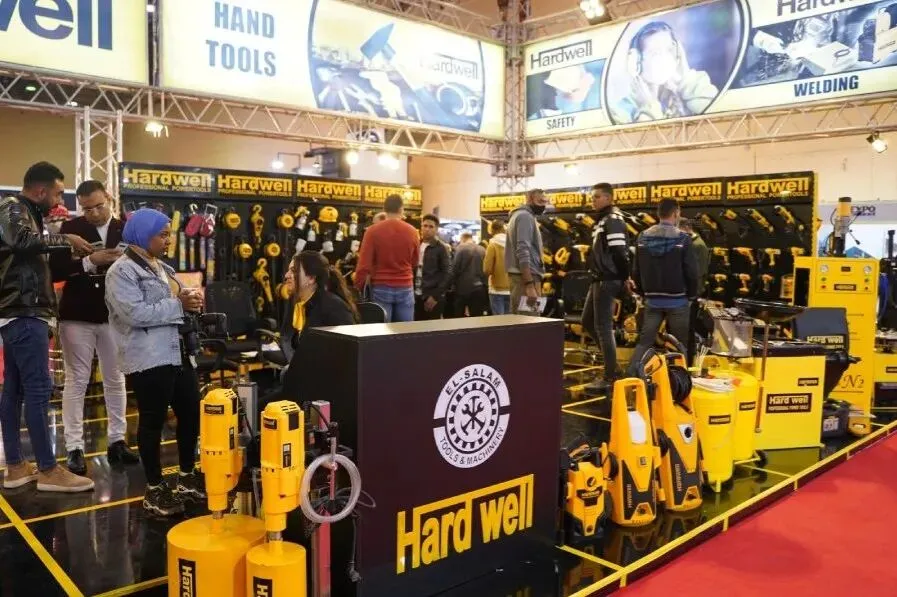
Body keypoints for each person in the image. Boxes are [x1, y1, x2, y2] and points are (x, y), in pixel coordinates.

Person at [0, 162, 96, 492]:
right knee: (38, 390)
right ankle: (48, 469)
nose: (58, 202)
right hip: (25, 312)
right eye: (57, 194)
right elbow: (22, 241)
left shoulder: (24, 212)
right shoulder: (13, 207)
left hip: (21, 312)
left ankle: (16, 466)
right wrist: (65, 237)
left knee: (14, 390)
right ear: (41, 191)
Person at [105, 209, 206, 516]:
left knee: (190, 414)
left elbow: (175, 299)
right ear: (142, 234)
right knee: (152, 422)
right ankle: (155, 488)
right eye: (162, 235)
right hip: (148, 358)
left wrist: (191, 298)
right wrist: (178, 304)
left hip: (177, 352)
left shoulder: (162, 267)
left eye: (168, 234)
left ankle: (187, 475)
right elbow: (134, 314)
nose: (168, 240)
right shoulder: (121, 272)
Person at [49, 181, 139, 475]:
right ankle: (74, 447)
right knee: (77, 380)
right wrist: (89, 261)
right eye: (87, 209)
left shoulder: (127, 228)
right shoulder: (70, 229)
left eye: (99, 206)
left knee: (116, 378)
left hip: (114, 314)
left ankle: (117, 441)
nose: (94, 213)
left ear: (109, 198)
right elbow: (56, 270)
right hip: (77, 314)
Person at [629, 199, 699, 375]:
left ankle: (632, 377)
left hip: (652, 300)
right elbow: (691, 272)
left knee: (645, 343)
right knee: (679, 344)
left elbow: (636, 270)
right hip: (678, 300)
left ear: (658, 214)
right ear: (676, 213)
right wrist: (692, 295)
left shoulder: (642, 237)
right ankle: (678, 381)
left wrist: (643, 293)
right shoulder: (683, 239)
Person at [278, 251, 359, 401]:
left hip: (325, 391)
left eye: (294, 271)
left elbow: (348, 355)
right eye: (288, 270)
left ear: (311, 278)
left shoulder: (333, 307)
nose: (287, 275)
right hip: (303, 381)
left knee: (256, 409)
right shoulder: (297, 303)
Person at [611, 21, 719, 124]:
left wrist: (686, 77)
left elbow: (717, 116)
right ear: (635, 61)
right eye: (655, 53)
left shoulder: (686, 95)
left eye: (669, 50)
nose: (665, 58)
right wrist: (648, 107)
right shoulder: (620, 113)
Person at [582, 183, 633, 394]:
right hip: (599, 278)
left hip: (607, 279)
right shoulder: (603, 220)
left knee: (603, 327)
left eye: (597, 197)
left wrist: (625, 277)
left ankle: (610, 375)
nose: (592, 201)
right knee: (588, 321)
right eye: (592, 197)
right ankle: (613, 367)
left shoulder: (612, 219)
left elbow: (620, 251)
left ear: (609, 198)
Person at [354, 194, 419, 322]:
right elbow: (415, 261)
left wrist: (358, 288)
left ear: (384, 209)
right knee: (406, 331)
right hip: (405, 285)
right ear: (401, 209)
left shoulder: (372, 231)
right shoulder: (413, 231)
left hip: (380, 286)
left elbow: (364, 265)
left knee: (382, 330)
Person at [506, 189, 549, 314]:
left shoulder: (520, 216)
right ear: (529, 199)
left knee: (524, 320)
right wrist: (529, 284)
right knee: (530, 320)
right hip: (526, 278)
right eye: (540, 201)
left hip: (524, 277)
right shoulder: (525, 217)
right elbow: (523, 250)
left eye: (545, 202)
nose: (543, 205)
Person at [679, 218, 710, 364]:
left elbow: (698, 273)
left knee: (688, 332)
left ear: (686, 228)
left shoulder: (698, 245)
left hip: (690, 296)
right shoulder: (690, 243)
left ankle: (688, 363)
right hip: (684, 294)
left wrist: (692, 296)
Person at [415, 214, 452, 320]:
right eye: (425, 226)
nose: (427, 229)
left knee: (431, 327)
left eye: (431, 227)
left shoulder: (441, 248)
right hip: (415, 295)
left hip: (431, 296)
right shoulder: (416, 244)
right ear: (421, 227)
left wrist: (435, 296)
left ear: (436, 229)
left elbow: (448, 273)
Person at [451, 232, 488, 317]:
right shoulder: (482, 249)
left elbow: (455, 268)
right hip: (479, 287)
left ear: (463, 239)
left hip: (462, 288)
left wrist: (452, 284)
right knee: (477, 317)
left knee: (459, 316)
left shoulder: (460, 248)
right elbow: (486, 269)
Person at [483, 221, 511, 315]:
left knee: (499, 319)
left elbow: (487, 269)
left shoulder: (492, 245)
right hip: (511, 287)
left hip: (496, 289)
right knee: (510, 319)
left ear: (492, 230)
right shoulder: (512, 244)